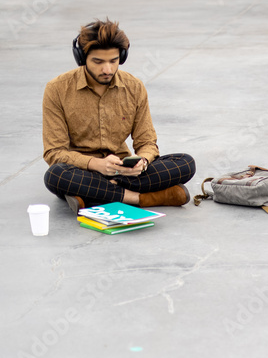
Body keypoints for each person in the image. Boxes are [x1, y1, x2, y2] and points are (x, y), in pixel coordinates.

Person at [43, 19, 196, 213]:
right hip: (83, 171)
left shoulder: (134, 87)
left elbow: (147, 142)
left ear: (121, 57)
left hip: (124, 172)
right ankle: (139, 198)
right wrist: (96, 164)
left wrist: (143, 161)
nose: (107, 69)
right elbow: (54, 152)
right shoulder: (57, 89)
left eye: (113, 61)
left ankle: (94, 197)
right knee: (56, 175)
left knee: (186, 163)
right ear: (81, 58)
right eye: (98, 62)